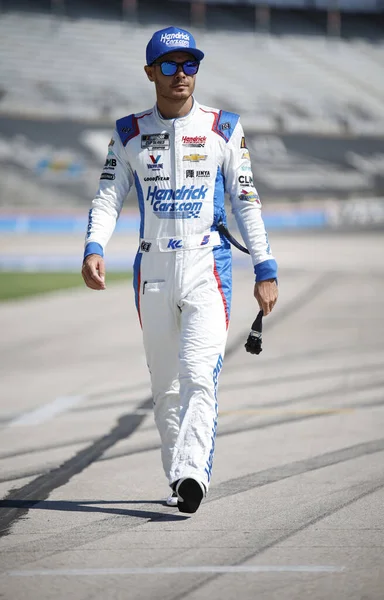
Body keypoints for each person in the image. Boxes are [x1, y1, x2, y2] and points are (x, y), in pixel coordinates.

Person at [81, 26, 278, 514]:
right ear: (150, 73)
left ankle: (193, 473)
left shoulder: (224, 127)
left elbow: (247, 202)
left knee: (198, 375)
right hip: (152, 269)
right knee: (165, 385)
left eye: (189, 64)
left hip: (207, 264)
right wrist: (93, 245)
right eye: (168, 66)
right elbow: (108, 195)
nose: (181, 75)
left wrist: (265, 266)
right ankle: (180, 473)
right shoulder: (128, 132)